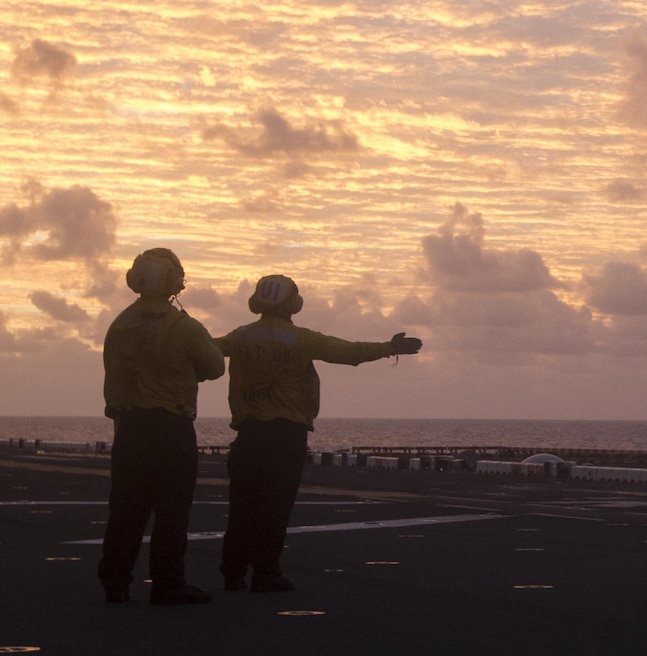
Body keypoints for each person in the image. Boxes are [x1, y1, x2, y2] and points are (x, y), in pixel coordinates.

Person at [216, 275, 423, 592]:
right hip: (286, 433)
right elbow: (349, 353)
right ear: (294, 304)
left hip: (248, 431)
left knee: (243, 504)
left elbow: (206, 348)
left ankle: (233, 572)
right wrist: (389, 347)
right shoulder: (301, 339)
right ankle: (266, 573)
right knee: (275, 505)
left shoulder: (241, 337)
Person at [98, 248, 225, 606]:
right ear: (173, 281)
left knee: (124, 510)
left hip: (130, 429)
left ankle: (115, 581)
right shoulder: (184, 326)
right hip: (171, 430)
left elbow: (114, 380)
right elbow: (215, 367)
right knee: (171, 511)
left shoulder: (119, 326)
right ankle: (167, 583)